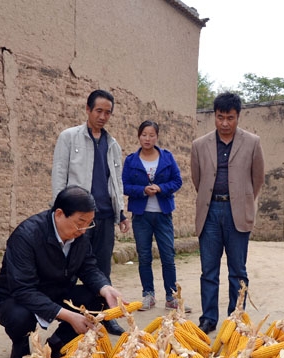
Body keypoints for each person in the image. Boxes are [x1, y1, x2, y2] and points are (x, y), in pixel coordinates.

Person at [0, 186, 125, 358]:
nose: (84, 230)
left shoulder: (80, 235)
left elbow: (88, 267)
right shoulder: (26, 235)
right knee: (19, 316)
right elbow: (23, 289)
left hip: (59, 291)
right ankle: (20, 348)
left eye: (89, 223)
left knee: (99, 299)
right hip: (19, 298)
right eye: (80, 222)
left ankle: (57, 345)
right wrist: (69, 316)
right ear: (60, 214)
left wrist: (105, 288)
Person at [51, 89, 130, 335]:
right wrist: (59, 212)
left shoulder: (112, 144)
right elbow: (59, 174)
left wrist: (120, 211)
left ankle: (106, 317)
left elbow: (116, 180)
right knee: (71, 269)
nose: (103, 116)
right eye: (98, 111)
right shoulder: (69, 137)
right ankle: (70, 318)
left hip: (103, 215)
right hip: (76, 218)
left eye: (108, 112)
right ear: (88, 109)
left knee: (102, 269)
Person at [190, 92, 265, 334]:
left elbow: (257, 178)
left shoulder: (252, 142)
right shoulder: (199, 145)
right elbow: (197, 179)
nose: (224, 123)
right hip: (210, 211)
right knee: (209, 271)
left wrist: (242, 200)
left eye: (230, 118)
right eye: (220, 117)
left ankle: (236, 317)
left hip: (237, 212)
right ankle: (208, 318)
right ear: (214, 116)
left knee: (238, 271)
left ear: (238, 116)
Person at [122, 120, 190, 312]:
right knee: (144, 256)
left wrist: (160, 188)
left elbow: (177, 181)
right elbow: (124, 185)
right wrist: (142, 190)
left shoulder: (167, 157)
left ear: (157, 137)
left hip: (163, 214)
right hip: (141, 215)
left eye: (151, 135)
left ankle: (171, 297)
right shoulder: (131, 160)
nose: (147, 138)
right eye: (144, 135)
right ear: (139, 136)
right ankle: (148, 295)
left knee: (168, 255)